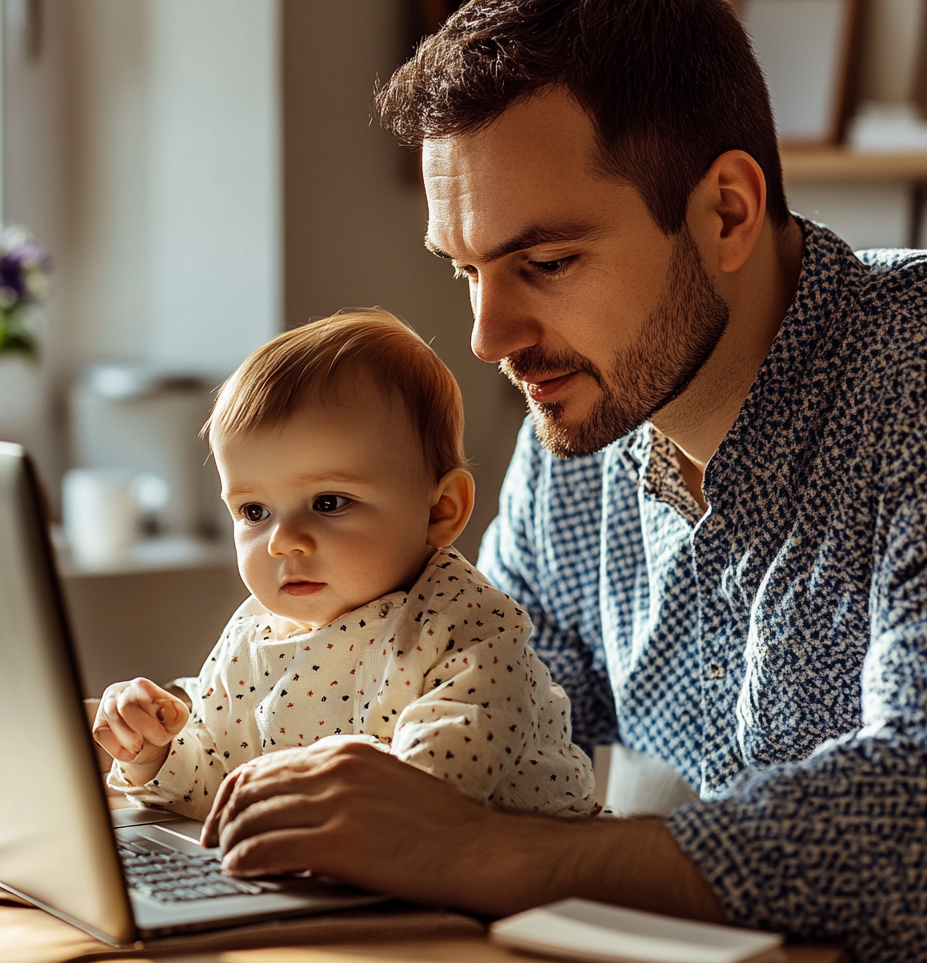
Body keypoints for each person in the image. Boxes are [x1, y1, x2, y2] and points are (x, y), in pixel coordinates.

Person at [199, 0, 927, 963]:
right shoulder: (575, 442)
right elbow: (483, 722)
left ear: (727, 212)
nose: (487, 335)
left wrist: (490, 854)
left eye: (547, 262)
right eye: (466, 269)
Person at [91, 309, 597, 819]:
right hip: (339, 875)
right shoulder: (254, 636)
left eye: (329, 502)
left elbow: (436, 794)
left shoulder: (471, 629)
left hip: (504, 881)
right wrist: (156, 750)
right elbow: (221, 782)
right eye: (254, 512)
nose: (282, 542)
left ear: (441, 511)